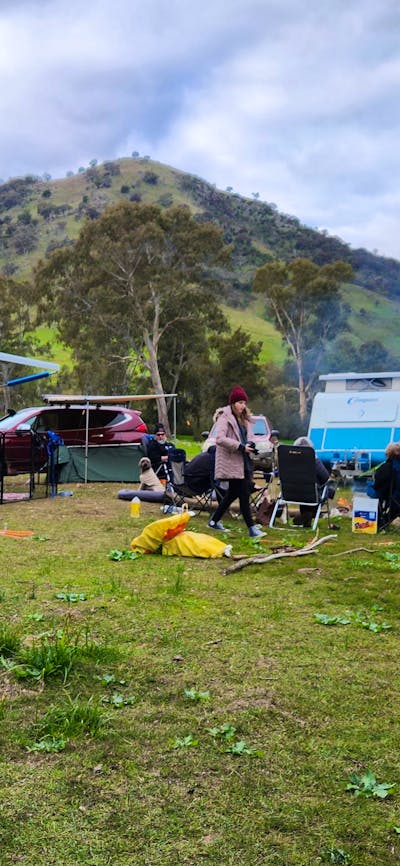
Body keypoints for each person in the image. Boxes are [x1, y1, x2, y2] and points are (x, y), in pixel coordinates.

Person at [207, 386, 265, 537]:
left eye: (244, 403)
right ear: (233, 403)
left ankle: (214, 521)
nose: (243, 406)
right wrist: (240, 446)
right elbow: (220, 439)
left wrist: (250, 445)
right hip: (232, 461)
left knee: (232, 493)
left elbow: (248, 437)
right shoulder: (224, 418)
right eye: (240, 402)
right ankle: (251, 528)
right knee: (244, 493)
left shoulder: (245, 419)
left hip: (244, 461)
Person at [291, 436, 331, 527]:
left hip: (291, 493)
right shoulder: (314, 460)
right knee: (328, 489)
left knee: (304, 488)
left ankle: (306, 515)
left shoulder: (289, 461)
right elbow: (325, 477)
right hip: (311, 494)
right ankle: (311, 513)